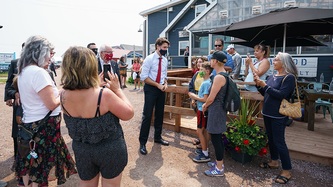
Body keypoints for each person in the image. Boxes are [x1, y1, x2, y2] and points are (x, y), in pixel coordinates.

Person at [61, 46, 134, 187]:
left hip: (82, 150)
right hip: (110, 149)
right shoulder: (103, 95)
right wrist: (118, 90)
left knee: (86, 184)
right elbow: (128, 113)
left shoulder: (62, 95)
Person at [16, 35, 77, 186]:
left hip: (31, 126)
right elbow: (52, 104)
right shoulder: (38, 73)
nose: (51, 57)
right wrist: (64, 91)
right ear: (39, 52)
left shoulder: (24, 71)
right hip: (44, 129)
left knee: (30, 164)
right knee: (41, 170)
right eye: (49, 53)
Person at [254, 52, 297, 184]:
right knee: (271, 139)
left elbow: (281, 94)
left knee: (279, 141)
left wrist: (265, 86)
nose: (273, 61)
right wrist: (258, 85)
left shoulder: (289, 78)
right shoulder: (273, 76)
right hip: (267, 113)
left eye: (276, 60)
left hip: (279, 115)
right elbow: (266, 93)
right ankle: (274, 161)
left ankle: (287, 170)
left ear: (284, 62)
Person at [138, 37, 170, 155]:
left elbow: (164, 74)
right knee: (147, 115)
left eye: (167, 48)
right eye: (164, 47)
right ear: (158, 46)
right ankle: (142, 143)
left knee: (160, 114)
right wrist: (157, 85)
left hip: (161, 88)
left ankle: (158, 137)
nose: (165, 50)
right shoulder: (149, 59)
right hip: (151, 88)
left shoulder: (165, 60)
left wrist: (165, 83)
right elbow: (144, 77)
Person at [202, 51, 228, 177]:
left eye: (211, 59)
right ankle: (218, 163)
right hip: (218, 109)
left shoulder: (219, 77)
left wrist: (205, 105)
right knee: (216, 136)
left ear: (215, 61)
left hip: (216, 109)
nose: (210, 61)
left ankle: (219, 168)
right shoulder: (223, 74)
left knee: (217, 138)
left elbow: (211, 97)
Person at [188, 62, 213, 163]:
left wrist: (193, 96)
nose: (200, 72)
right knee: (202, 131)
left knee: (199, 131)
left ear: (207, 71)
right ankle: (204, 149)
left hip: (201, 110)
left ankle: (205, 153)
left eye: (202, 70)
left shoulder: (206, 83)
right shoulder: (208, 81)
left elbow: (204, 99)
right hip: (201, 109)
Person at [4, 42, 24, 162]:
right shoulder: (15, 63)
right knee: (17, 133)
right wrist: (10, 96)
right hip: (19, 105)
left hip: (36, 107)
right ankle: (18, 159)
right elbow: (9, 83)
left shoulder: (42, 65)